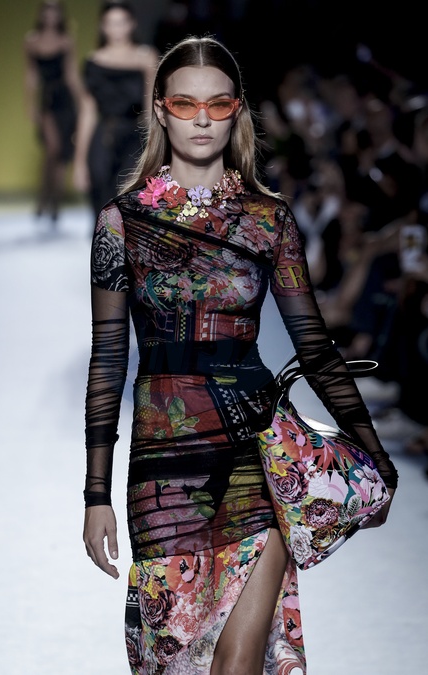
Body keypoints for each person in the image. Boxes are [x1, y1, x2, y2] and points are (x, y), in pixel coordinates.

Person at [82, 36, 398, 675]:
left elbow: (314, 345)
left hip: (255, 453)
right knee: (176, 662)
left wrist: (375, 456)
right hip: (163, 467)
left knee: (237, 665)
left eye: (218, 104)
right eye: (185, 103)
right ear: (161, 110)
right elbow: (109, 359)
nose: (201, 119)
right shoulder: (122, 223)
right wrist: (95, 493)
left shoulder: (267, 219)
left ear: (237, 111)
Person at [73, 1, 158, 221]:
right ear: (102, 27)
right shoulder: (93, 62)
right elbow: (87, 113)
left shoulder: (146, 57)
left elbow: (151, 110)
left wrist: (155, 150)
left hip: (134, 138)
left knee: (129, 204)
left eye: (121, 22)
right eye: (111, 23)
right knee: (101, 204)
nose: (117, 29)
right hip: (102, 137)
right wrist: (79, 162)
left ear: (132, 24)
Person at [24, 0, 81, 224]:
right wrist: (30, 105)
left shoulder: (66, 40)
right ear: (41, 13)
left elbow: (71, 74)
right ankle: (44, 197)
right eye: (47, 10)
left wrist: (81, 102)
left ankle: (54, 203)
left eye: (55, 10)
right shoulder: (31, 40)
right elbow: (31, 75)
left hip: (65, 100)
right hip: (47, 100)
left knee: (62, 154)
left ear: (60, 14)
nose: (51, 15)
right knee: (52, 149)